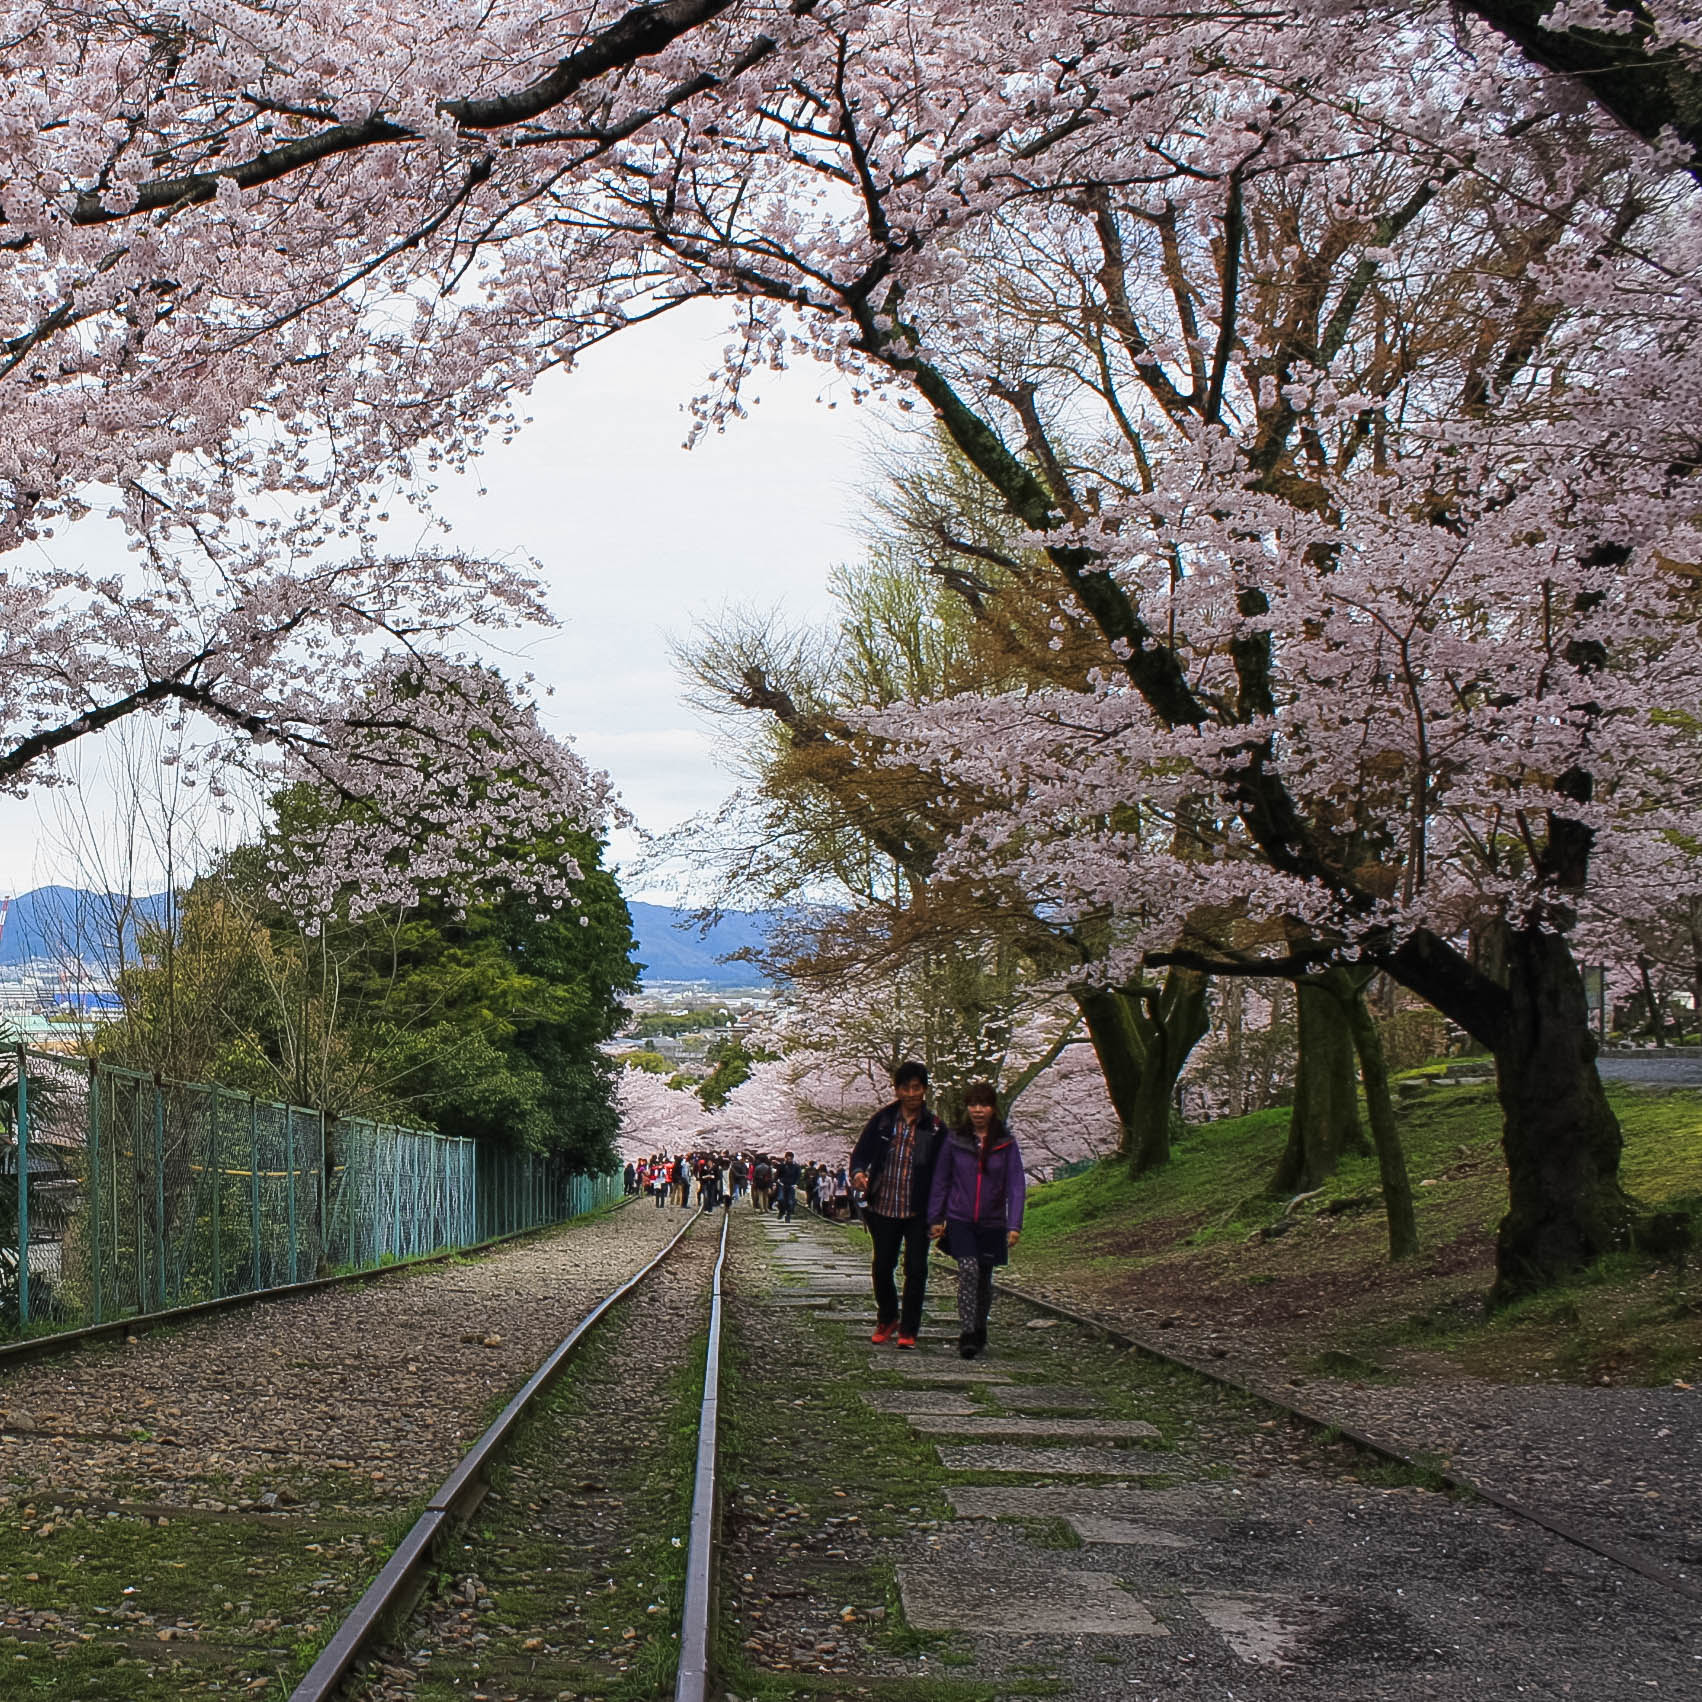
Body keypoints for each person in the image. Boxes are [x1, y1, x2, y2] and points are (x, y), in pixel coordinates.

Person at [849, 1061, 945, 1348]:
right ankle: (887, 1317)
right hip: (884, 1205)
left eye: (917, 1088)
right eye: (906, 1088)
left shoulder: (936, 1128)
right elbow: (860, 1154)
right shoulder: (882, 1120)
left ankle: (909, 1328)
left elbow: (944, 1174)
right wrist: (858, 1174)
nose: (911, 1093)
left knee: (916, 1268)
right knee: (882, 1267)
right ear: (897, 1090)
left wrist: (940, 1214)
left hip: (919, 1209)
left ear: (925, 1090)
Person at [928, 1081, 1025, 1359]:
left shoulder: (1005, 1143)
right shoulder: (955, 1140)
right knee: (968, 1269)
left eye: (983, 1104)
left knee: (984, 1277)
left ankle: (980, 1327)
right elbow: (942, 1179)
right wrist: (936, 1216)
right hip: (960, 1218)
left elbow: (1016, 1184)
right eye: (973, 1104)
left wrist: (1014, 1223)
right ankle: (968, 1332)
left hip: (992, 1221)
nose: (978, 1110)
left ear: (993, 1108)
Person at [776, 1151, 801, 1222]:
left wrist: (796, 1184)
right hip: (782, 1184)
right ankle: (781, 1211)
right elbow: (778, 1175)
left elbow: (798, 1176)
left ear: (792, 1158)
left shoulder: (796, 1166)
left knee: (790, 1201)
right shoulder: (782, 1166)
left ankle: (788, 1215)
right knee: (780, 1199)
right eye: (787, 1158)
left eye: (790, 1159)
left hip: (791, 1185)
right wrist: (778, 1181)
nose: (788, 1160)